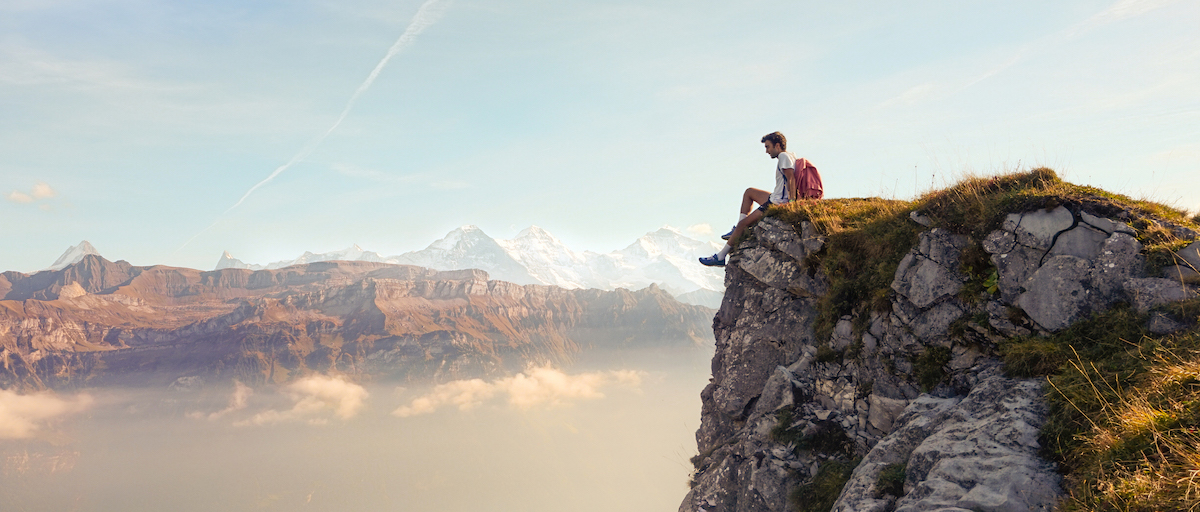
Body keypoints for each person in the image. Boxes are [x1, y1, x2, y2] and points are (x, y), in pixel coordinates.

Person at [699, 131, 822, 266]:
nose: (766, 151)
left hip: (777, 202)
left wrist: (791, 202)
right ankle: (738, 228)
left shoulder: (783, 157)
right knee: (749, 192)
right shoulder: (790, 156)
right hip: (776, 197)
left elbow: (791, 179)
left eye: (768, 147)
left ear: (777, 145)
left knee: (743, 224)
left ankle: (721, 256)